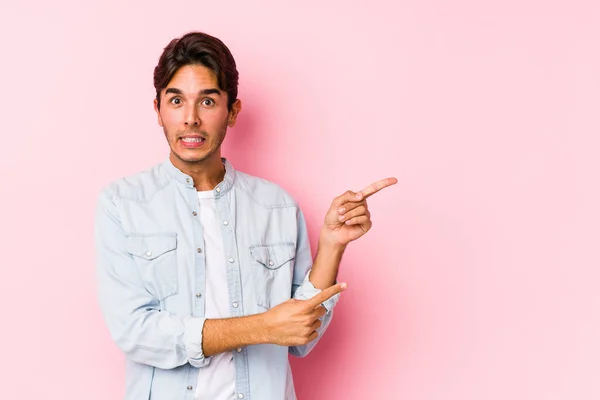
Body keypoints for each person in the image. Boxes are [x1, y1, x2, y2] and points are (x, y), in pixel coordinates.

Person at [95, 31, 396, 400]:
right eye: (176, 101)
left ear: (232, 111)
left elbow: (302, 336)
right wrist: (263, 327)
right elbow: (136, 332)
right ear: (158, 110)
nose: (190, 119)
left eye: (207, 101)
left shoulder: (277, 206)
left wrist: (332, 244)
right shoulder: (122, 204)